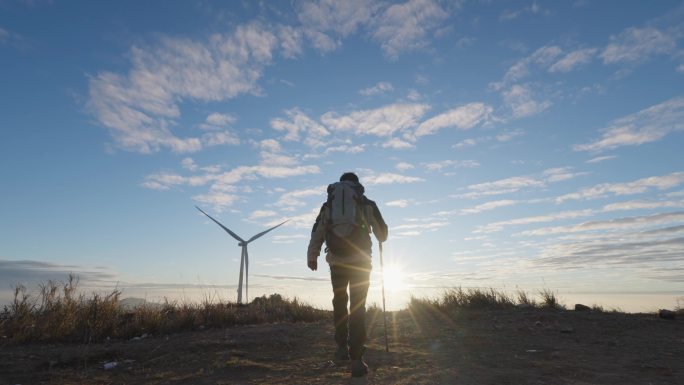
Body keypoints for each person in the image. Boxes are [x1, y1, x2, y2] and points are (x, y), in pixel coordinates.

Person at [307, 172, 388, 377]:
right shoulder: (365, 202)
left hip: (337, 263)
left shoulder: (329, 204)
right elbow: (382, 234)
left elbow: (317, 230)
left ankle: (342, 347)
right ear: (357, 184)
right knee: (358, 308)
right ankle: (357, 359)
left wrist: (312, 256)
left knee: (340, 303)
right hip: (361, 263)